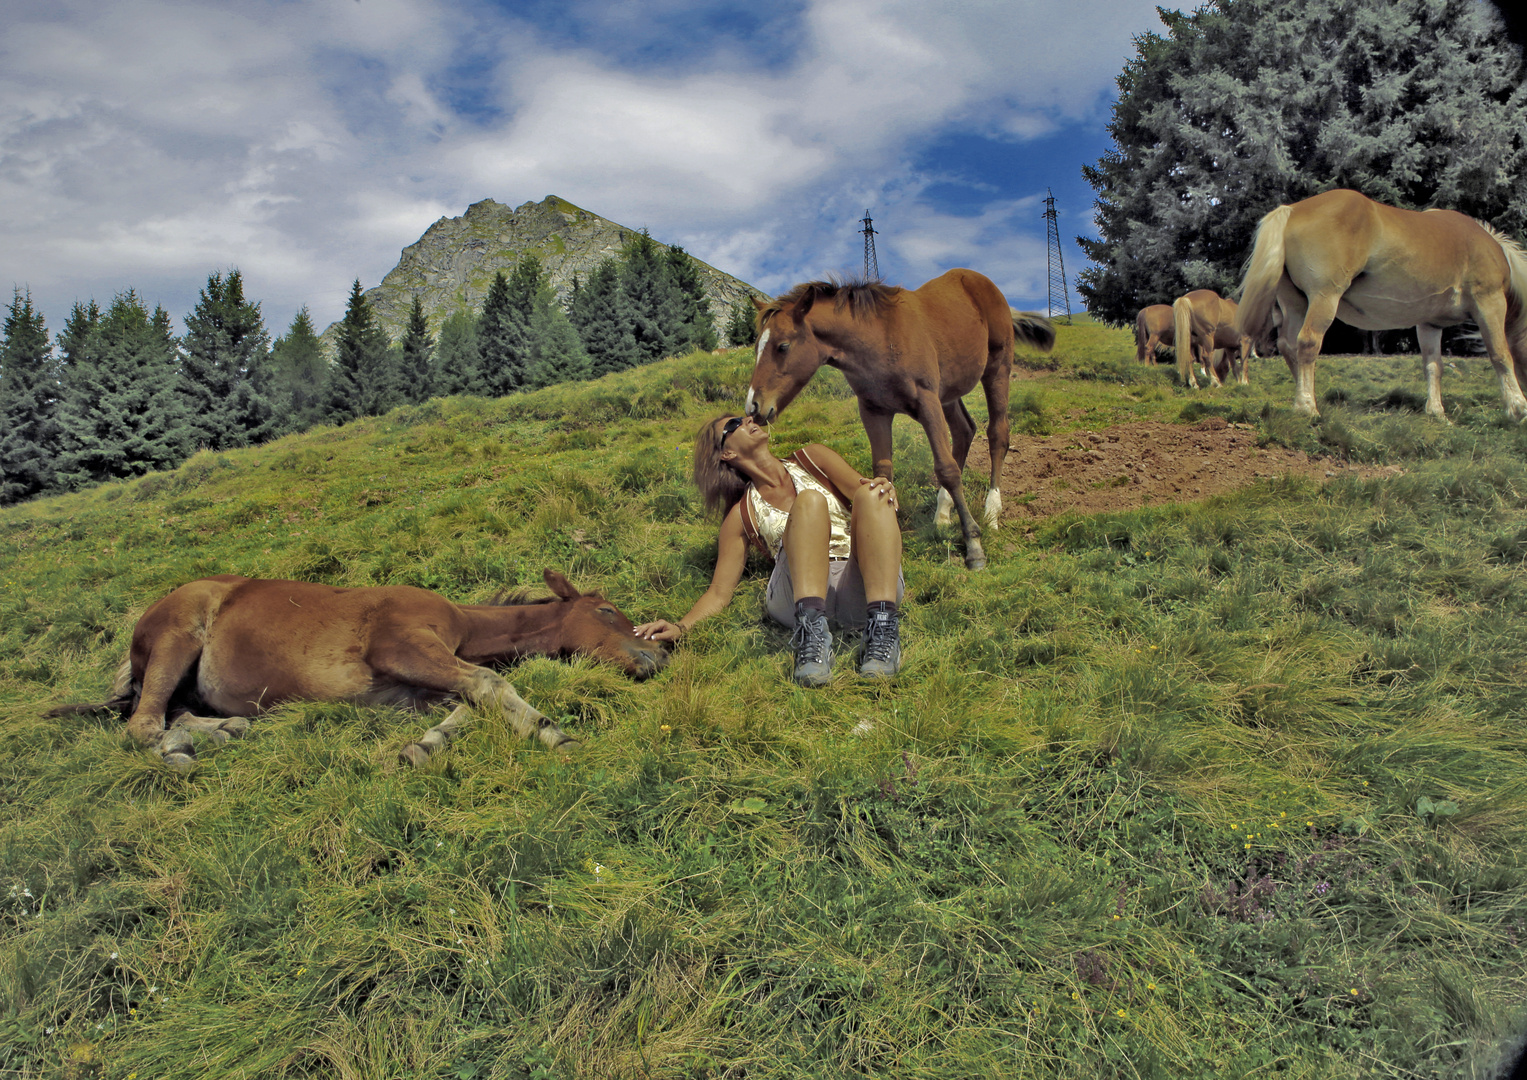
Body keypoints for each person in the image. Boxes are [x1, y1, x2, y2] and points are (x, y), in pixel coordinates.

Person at [634, 414, 905, 686]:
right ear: (726, 452)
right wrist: (681, 627)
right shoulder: (741, 515)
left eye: (746, 417)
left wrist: (885, 489)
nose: (749, 419)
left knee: (873, 492)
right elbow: (719, 592)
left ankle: (883, 628)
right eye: (734, 424)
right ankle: (810, 638)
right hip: (798, 592)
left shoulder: (813, 459)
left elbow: (875, 501)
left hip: (861, 580)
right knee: (809, 502)